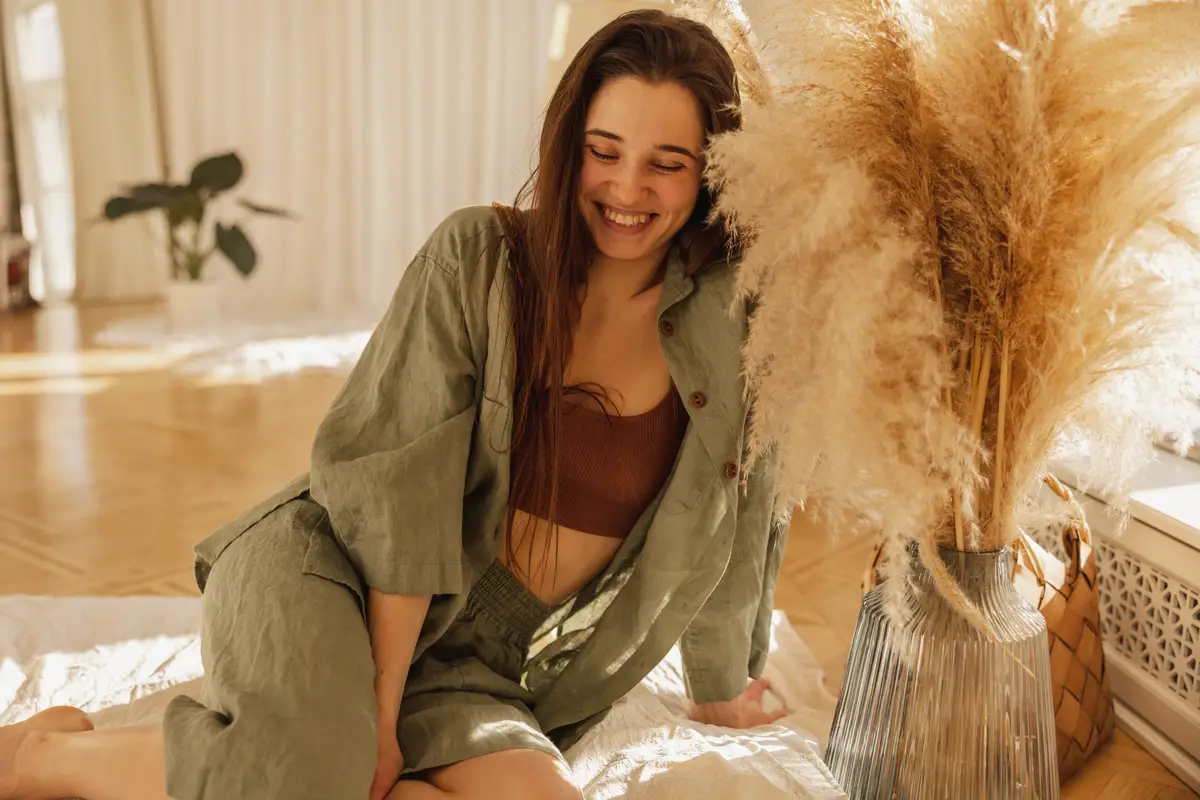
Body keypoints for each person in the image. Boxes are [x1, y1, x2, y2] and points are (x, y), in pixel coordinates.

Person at [0, 9, 790, 800]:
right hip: (334, 575)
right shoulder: (480, 259)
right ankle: (45, 759)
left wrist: (720, 684)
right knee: (317, 774)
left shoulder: (736, 322)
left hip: (483, 668)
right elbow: (397, 498)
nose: (627, 188)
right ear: (569, 144)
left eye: (668, 163)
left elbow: (737, 503)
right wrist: (376, 723)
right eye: (604, 151)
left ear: (710, 171)